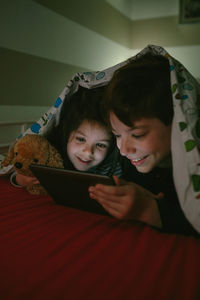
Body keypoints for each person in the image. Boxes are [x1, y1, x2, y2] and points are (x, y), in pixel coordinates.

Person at [89, 53, 199, 236]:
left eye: (138, 135)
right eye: (116, 135)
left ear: (178, 120)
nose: (124, 150)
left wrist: (152, 211)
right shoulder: (128, 162)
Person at [11, 86, 122, 188]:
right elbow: (17, 170)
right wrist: (19, 179)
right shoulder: (50, 155)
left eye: (100, 145)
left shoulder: (112, 168)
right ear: (66, 135)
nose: (88, 152)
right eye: (80, 139)